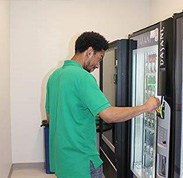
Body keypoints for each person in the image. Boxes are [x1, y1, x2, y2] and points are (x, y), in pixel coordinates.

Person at [45, 31, 160, 178]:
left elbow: (51, 118)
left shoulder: (54, 77)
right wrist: (146, 107)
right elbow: (109, 115)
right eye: (99, 59)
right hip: (82, 162)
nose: (98, 66)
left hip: (62, 161)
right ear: (89, 52)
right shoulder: (83, 77)